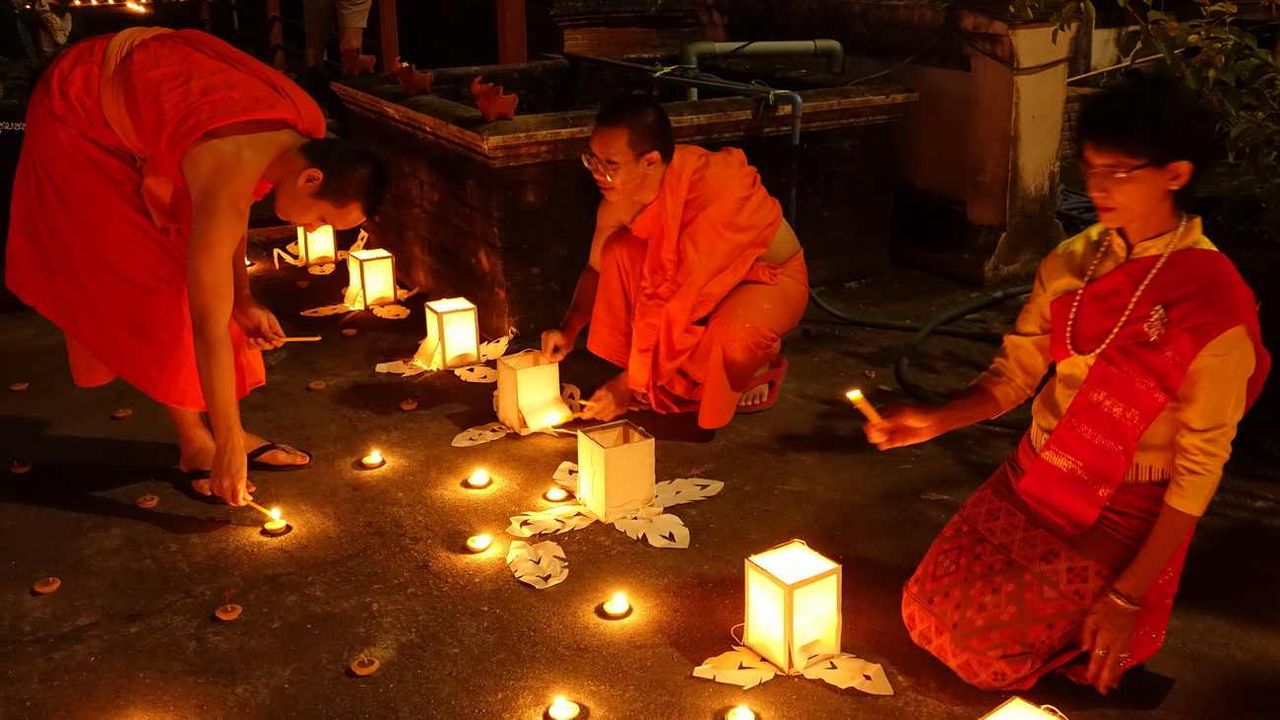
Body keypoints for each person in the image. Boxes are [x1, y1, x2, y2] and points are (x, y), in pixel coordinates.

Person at [866, 73, 1270, 694]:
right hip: (1040, 469)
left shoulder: (1212, 303)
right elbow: (1016, 375)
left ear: (1176, 173)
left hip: (1121, 504)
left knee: (987, 657)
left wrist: (1129, 596)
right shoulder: (1073, 261)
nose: (1098, 187)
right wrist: (937, 417)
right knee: (923, 610)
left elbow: (1198, 470)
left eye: (1119, 171)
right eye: (1089, 168)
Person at [6, 28, 386, 507]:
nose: (313, 229)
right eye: (323, 217)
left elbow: (237, 205)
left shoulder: (300, 126)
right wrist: (229, 449)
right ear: (311, 178)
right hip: (79, 109)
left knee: (195, 266)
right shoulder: (224, 171)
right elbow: (207, 319)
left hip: (149, 92)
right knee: (159, 284)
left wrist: (244, 296)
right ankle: (199, 444)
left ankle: (222, 434)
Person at [540, 95, 809, 430]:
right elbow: (598, 268)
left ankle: (755, 365)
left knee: (732, 338)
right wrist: (568, 329)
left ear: (650, 161)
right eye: (591, 160)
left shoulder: (709, 190)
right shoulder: (617, 203)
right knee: (618, 252)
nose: (597, 173)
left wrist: (627, 386)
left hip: (766, 282)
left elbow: (675, 304)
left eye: (610, 165)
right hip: (696, 294)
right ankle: (652, 368)